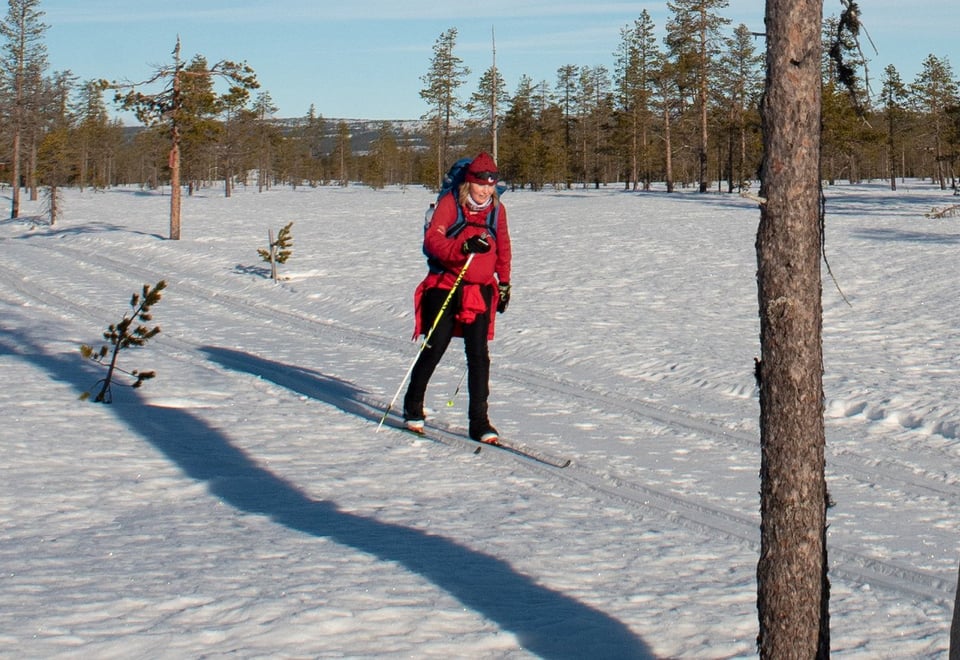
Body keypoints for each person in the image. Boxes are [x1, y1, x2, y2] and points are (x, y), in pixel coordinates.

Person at [403, 152, 512, 443]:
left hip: (480, 290)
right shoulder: (451, 203)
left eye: (491, 185)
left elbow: (503, 246)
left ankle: (480, 422)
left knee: (479, 356)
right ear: (470, 182)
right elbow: (433, 241)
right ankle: (413, 407)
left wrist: (505, 283)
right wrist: (462, 248)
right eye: (481, 185)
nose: (486, 190)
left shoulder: (497, 209)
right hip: (446, 284)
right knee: (435, 346)